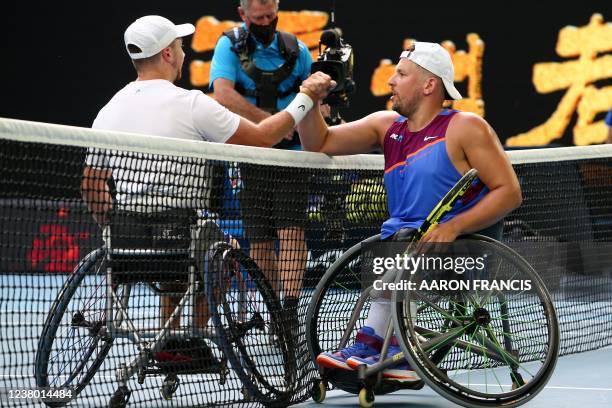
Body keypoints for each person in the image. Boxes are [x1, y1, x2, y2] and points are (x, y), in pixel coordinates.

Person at [81, 15, 332, 362]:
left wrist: (114, 229)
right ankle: (191, 339)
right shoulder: (193, 104)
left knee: (179, 250)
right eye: (181, 46)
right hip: (184, 236)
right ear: (168, 53)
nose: (183, 52)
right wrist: (305, 98)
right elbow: (263, 138)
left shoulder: (108, 111)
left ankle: (170, 337)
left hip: (127, 244)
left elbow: (91, 184)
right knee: (220, 249)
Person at [298, 42, 522, 382]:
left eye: (401, 74)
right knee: (394, 262)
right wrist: (310, 101)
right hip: (404, 249)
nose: (391, 81)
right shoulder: (386, 126)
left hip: (462, 253)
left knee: (397, 269)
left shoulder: (466, 127)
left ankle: (383, 348)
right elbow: (319, 142)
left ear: (429, 85)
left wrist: (454, 226)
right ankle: (387, 350)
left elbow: (509, 192)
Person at [209, 0, 312, 323]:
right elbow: (223, 94)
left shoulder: (298, 49)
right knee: (261, 239)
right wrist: (270, 124)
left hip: (293, 157)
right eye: (258, 18)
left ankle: (289, 313)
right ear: (243, 15)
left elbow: (316, 97)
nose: (265, 22)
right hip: (249, 154)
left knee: (292, 232)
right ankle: (270, 309)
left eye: (271, 16)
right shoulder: (227, 44)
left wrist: (310, 117)